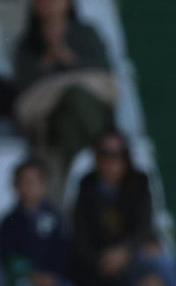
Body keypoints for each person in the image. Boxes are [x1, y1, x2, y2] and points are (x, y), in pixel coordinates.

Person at [71, 130, 176, 286]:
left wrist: (125, 252)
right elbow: (81, 241)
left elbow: (143, 227)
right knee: (155, 272)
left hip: (134, 259)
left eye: (118, 154)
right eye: (105, 154)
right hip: (100, 269)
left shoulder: (138, 182)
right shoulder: (86, 188)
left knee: (159, 268)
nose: (112, 161)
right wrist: (104, 259)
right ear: (97, 157)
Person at [13, 0, 116, 169]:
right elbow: (26, 87)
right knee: (66, 116)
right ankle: (105, 155)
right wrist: (49, 57)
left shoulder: (86, 33)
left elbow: (102, 71)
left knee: (75, 99)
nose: (50, 4)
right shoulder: (26, 44)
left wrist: (66, 56)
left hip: (90, 106)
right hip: (49, 118)